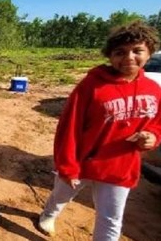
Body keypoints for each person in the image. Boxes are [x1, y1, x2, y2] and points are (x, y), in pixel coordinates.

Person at [38, 21, 161, 240]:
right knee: (61, 196)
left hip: (120, 166)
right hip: (82, 162)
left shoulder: (153, 90)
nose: (129, 57)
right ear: (110, 56)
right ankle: (48, 214)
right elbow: (69, 128)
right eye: (120, 52)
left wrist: (153, 137)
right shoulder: (91, 87)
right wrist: (67, 167)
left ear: (150, 52)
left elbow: (157, 123)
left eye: (137, 50)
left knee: (111, 220)